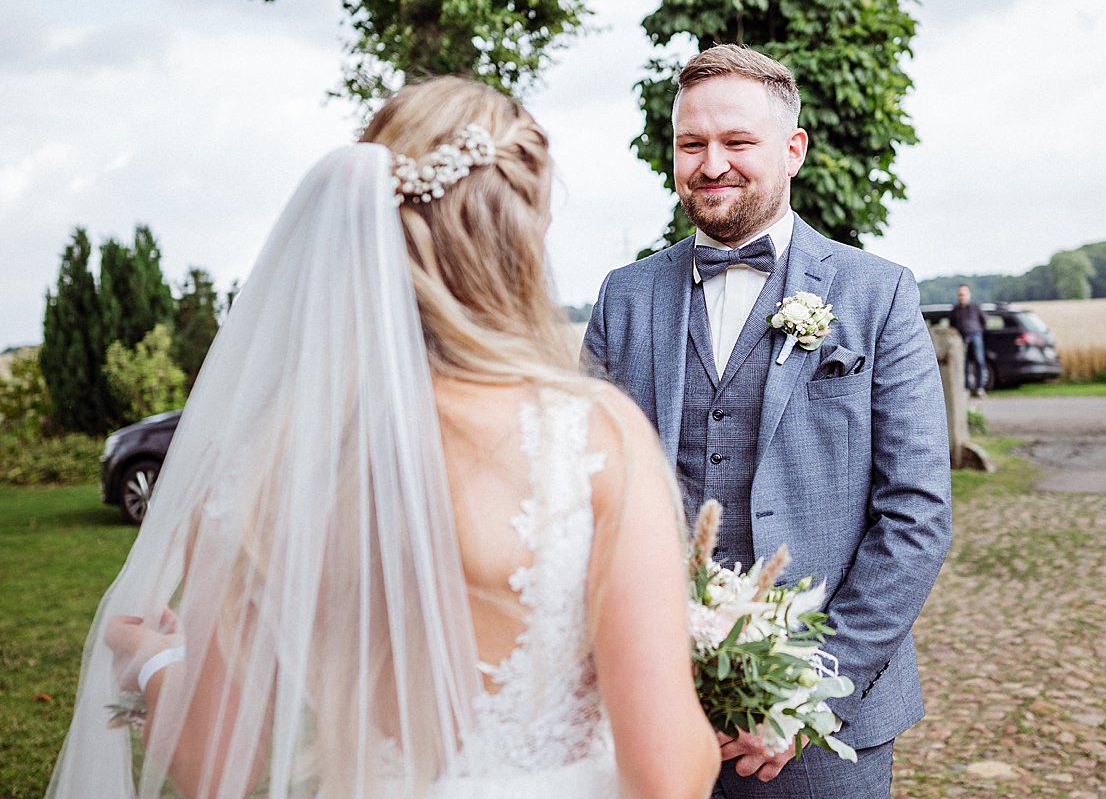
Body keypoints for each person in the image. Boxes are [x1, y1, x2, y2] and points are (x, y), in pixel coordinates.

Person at [47, 77, 719, 799]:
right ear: (519, 239)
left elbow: (218, 769)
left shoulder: (268, 460)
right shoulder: (587, 435)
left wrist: (154, 662)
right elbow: (666, 774)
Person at [583, 45, 952, 799]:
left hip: (826, 723)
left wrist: (808, 689)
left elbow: (916, 512)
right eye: (692, 144)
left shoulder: (877, 295)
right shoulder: (624, 297)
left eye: (736, 142)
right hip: (651, 703)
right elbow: (581, 496)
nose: (711, 163)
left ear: (793, 151)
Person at [949, 284, 989, 397]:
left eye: (964, 294)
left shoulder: (975, 307)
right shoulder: (955, 309)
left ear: (968, 294)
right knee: (963, 363)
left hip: (975, 334)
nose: (962, 297)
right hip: (961, 337)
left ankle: (980, 387)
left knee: (979, 361)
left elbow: (984, 321)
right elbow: (952, 324)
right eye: (960, 294)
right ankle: (966, 387)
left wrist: (979, 331)